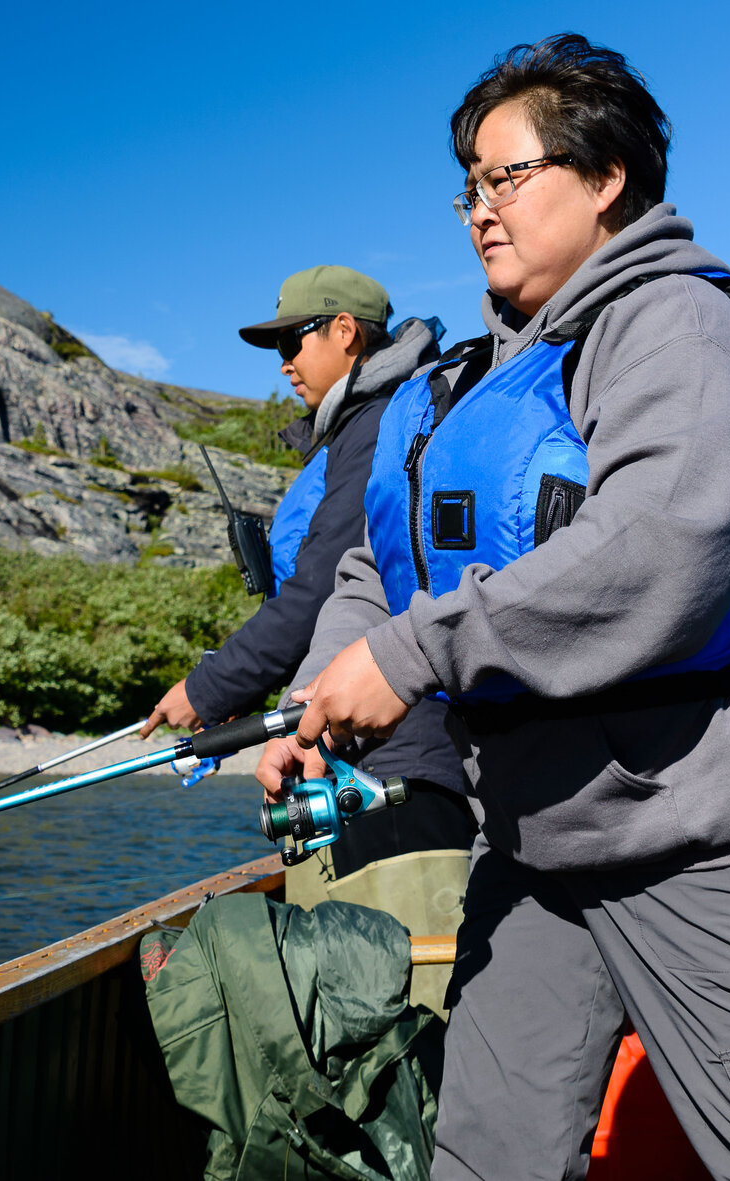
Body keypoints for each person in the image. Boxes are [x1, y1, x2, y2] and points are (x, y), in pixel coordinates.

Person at [265, 37, 730, 1181]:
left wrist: (412, 656)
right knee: (485, 1157)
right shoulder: (470, 378)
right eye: (469, 186)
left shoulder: (678, 327)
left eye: (509, 177)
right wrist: (321, 694)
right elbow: (376, 567)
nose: (479, 211)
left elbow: (659, 548)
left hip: (709, 848)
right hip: (533, 846)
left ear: (607, 178)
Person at [142, 264, 475, 965]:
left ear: (345, 331)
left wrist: (207, 691)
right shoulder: (360, 428)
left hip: (397, 757)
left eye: (293, 339)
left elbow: (320, 591)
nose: (285, 362)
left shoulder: (381, 425)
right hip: (340, 744)